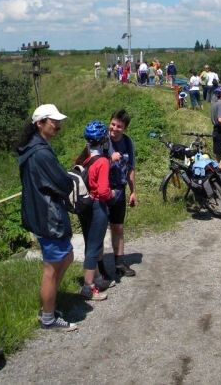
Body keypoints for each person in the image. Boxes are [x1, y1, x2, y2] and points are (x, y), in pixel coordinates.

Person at [18, 104, 77, 331]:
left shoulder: (32, 148)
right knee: (52, 268)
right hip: (48, 216)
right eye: (53, 121)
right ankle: (48, 318)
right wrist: (69, 179)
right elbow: (63, 182)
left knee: (67, 256)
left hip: (40, 212)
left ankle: (49, 306)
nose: (58, 125)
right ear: (39, 124)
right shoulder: (41, 153)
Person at [75, 120, 113, 301]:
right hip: (98, 206)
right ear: (104, 139)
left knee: (90, 243)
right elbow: (104, 191)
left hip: (85, 205)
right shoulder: (103, 162)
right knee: (94, 246)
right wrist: (113, 193)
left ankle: (97, 278)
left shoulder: (83, 158)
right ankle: (88, 288)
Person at [105, 109, 137, 278]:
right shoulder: (100, 140)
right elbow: (87, 163)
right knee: (98, 230)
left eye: (119, 126)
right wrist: (110, 159)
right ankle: (99, 270)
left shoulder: (127, 142)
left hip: (119, 191)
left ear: (124, 129)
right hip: (101, 193)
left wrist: (133, 191)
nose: (114, 128)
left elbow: (130, 168)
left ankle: (119, 264)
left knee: (118, 228)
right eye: (113, 124)